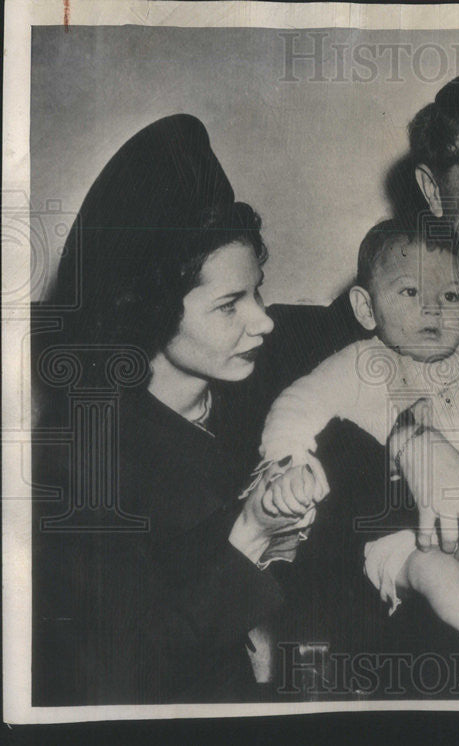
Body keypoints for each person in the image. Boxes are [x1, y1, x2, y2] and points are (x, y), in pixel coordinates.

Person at [31, 114, 323, 704]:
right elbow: (110, 678)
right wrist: (248, 536)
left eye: (258, 289)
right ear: (150, 310)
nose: (262, 320)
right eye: (229, 305)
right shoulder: (81, 461)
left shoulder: (260, 370)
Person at [254, 221, 459, 688]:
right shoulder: (358, 363)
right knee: (436, 570)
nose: (433, 307)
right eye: (410, 291)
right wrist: (287, 463)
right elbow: (295, 405)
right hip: (403, 533)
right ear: (366, 307)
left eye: (451, 296)